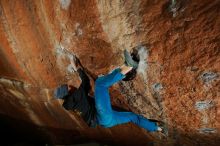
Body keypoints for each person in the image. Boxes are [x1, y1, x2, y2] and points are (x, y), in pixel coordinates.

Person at [54, 50, 164, 133]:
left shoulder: (71, 103)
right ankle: (129, 66)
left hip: (106, 122)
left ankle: (158, 128)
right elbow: (86, 81)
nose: (70, 86)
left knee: (132, 117)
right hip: (102, 114)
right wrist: (76, 67)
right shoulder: (76, 97)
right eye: (68, 87)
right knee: (100, 84)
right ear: (68, 92)